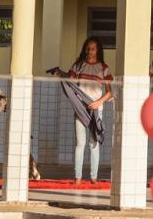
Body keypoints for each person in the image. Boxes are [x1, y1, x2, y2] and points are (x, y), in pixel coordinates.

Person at [48, 38, 113, 185]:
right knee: (80, 143)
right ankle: (77, 177)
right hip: (80, 108)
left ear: (98, 50)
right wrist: (60, 73)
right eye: (88, 48)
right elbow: (69, 80)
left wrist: (98, 103)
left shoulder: (104, 68)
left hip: (96, 110)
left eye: (93, 48)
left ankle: (93, 177)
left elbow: (110, 92)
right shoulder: (78, 65)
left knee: (93, 143)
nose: (90, 51)